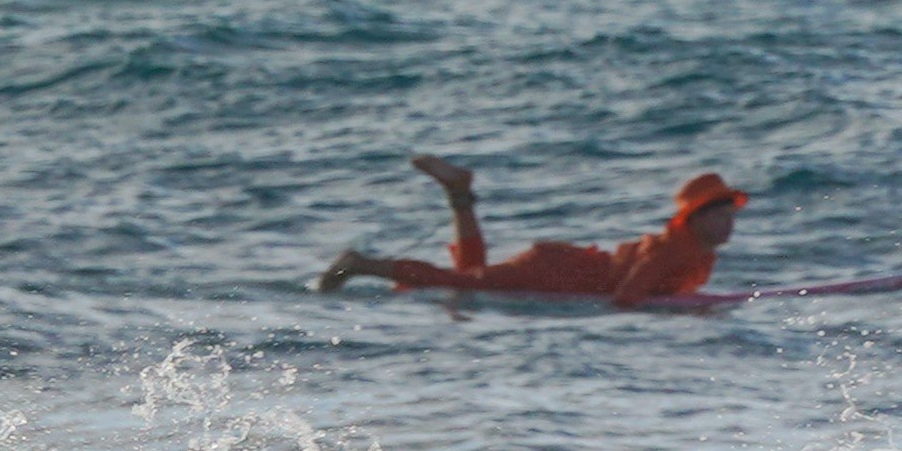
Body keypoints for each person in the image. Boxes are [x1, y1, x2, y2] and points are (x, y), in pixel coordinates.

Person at [313, 158, 744, 303]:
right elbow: (628, 295)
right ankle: (362, 265)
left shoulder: (693, 250)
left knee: (469, 279)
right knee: (461, 282)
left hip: (561, 270)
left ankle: (459, 194)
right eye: (719, 215)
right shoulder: (674, 249)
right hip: (555, 275)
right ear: (696, 218)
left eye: (730, 215)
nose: (729, 224)